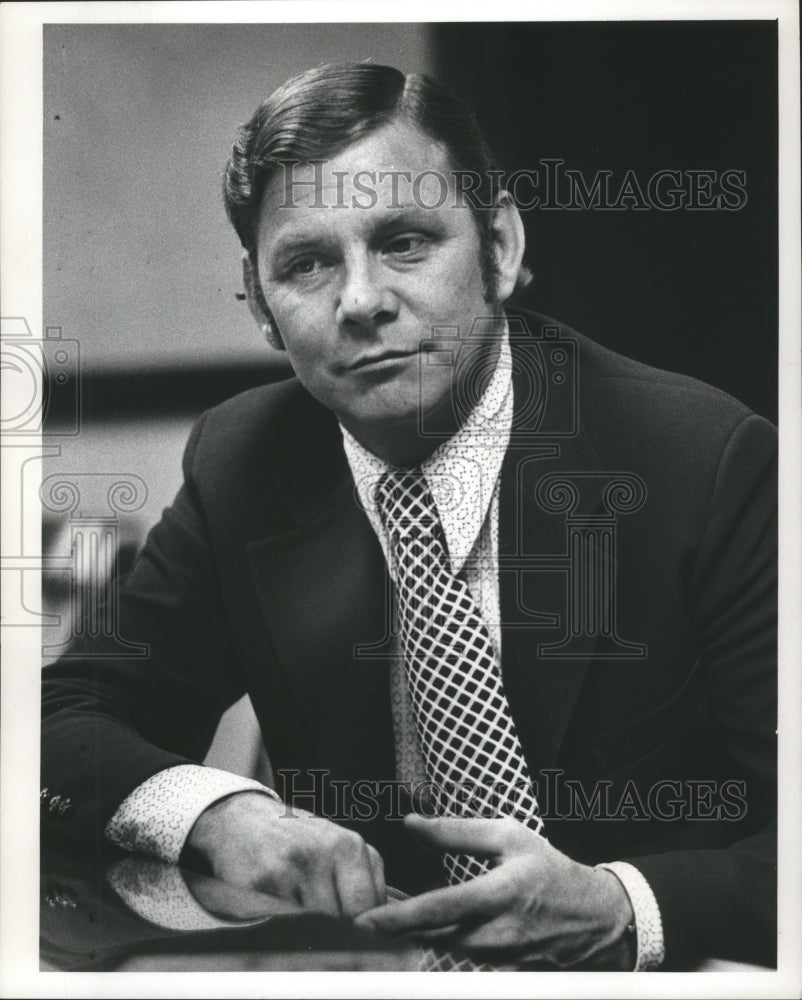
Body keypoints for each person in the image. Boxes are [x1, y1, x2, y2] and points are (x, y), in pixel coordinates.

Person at [41, 62, 777, 972]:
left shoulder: (701, 459)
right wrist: (216, 811)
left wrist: (621, 905)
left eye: (403, 242)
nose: (360, 301)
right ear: (263, 305)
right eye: (307, 264)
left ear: (501, 247)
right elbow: (67, 713)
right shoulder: (244, 461)